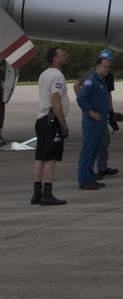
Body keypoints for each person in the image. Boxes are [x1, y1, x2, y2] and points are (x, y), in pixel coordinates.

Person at [31, 47, 69, 206]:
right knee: (50, 158)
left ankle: (37, 193)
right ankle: (47, 193)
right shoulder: (57, 75)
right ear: (55, 58)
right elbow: (55, 100)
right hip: (51, 119)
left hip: (41, 119)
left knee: (40, 157)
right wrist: (62, 123)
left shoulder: (44, 74)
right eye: (62, 54)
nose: (65, 56)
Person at [74, 48, 120, 178]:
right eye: (106, 63)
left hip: (101, 116)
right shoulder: (92, 75)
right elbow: (77, 87)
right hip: (93, 116)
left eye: (109, 63)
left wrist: (111, 113)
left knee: (104, 141)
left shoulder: (107, 75)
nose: (108, 67)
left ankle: (100, 168)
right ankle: (89, 174)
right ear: (99, 62)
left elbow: (108, 94)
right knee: (90, 147)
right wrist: (87, 108)